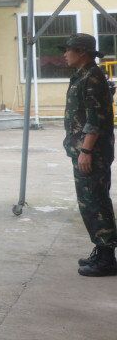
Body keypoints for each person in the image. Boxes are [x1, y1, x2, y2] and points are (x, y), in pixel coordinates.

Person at [61, 33, 116, 277]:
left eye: (68, 49)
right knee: (90, 201)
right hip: (86, 150)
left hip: (92, 153)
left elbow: (95, 119)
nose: (65, 54)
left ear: (81, 52)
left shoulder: (92, 78)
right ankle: (102, 251)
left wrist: (86, 150)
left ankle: (107, 258)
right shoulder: (82, 75)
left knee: (96, 201)